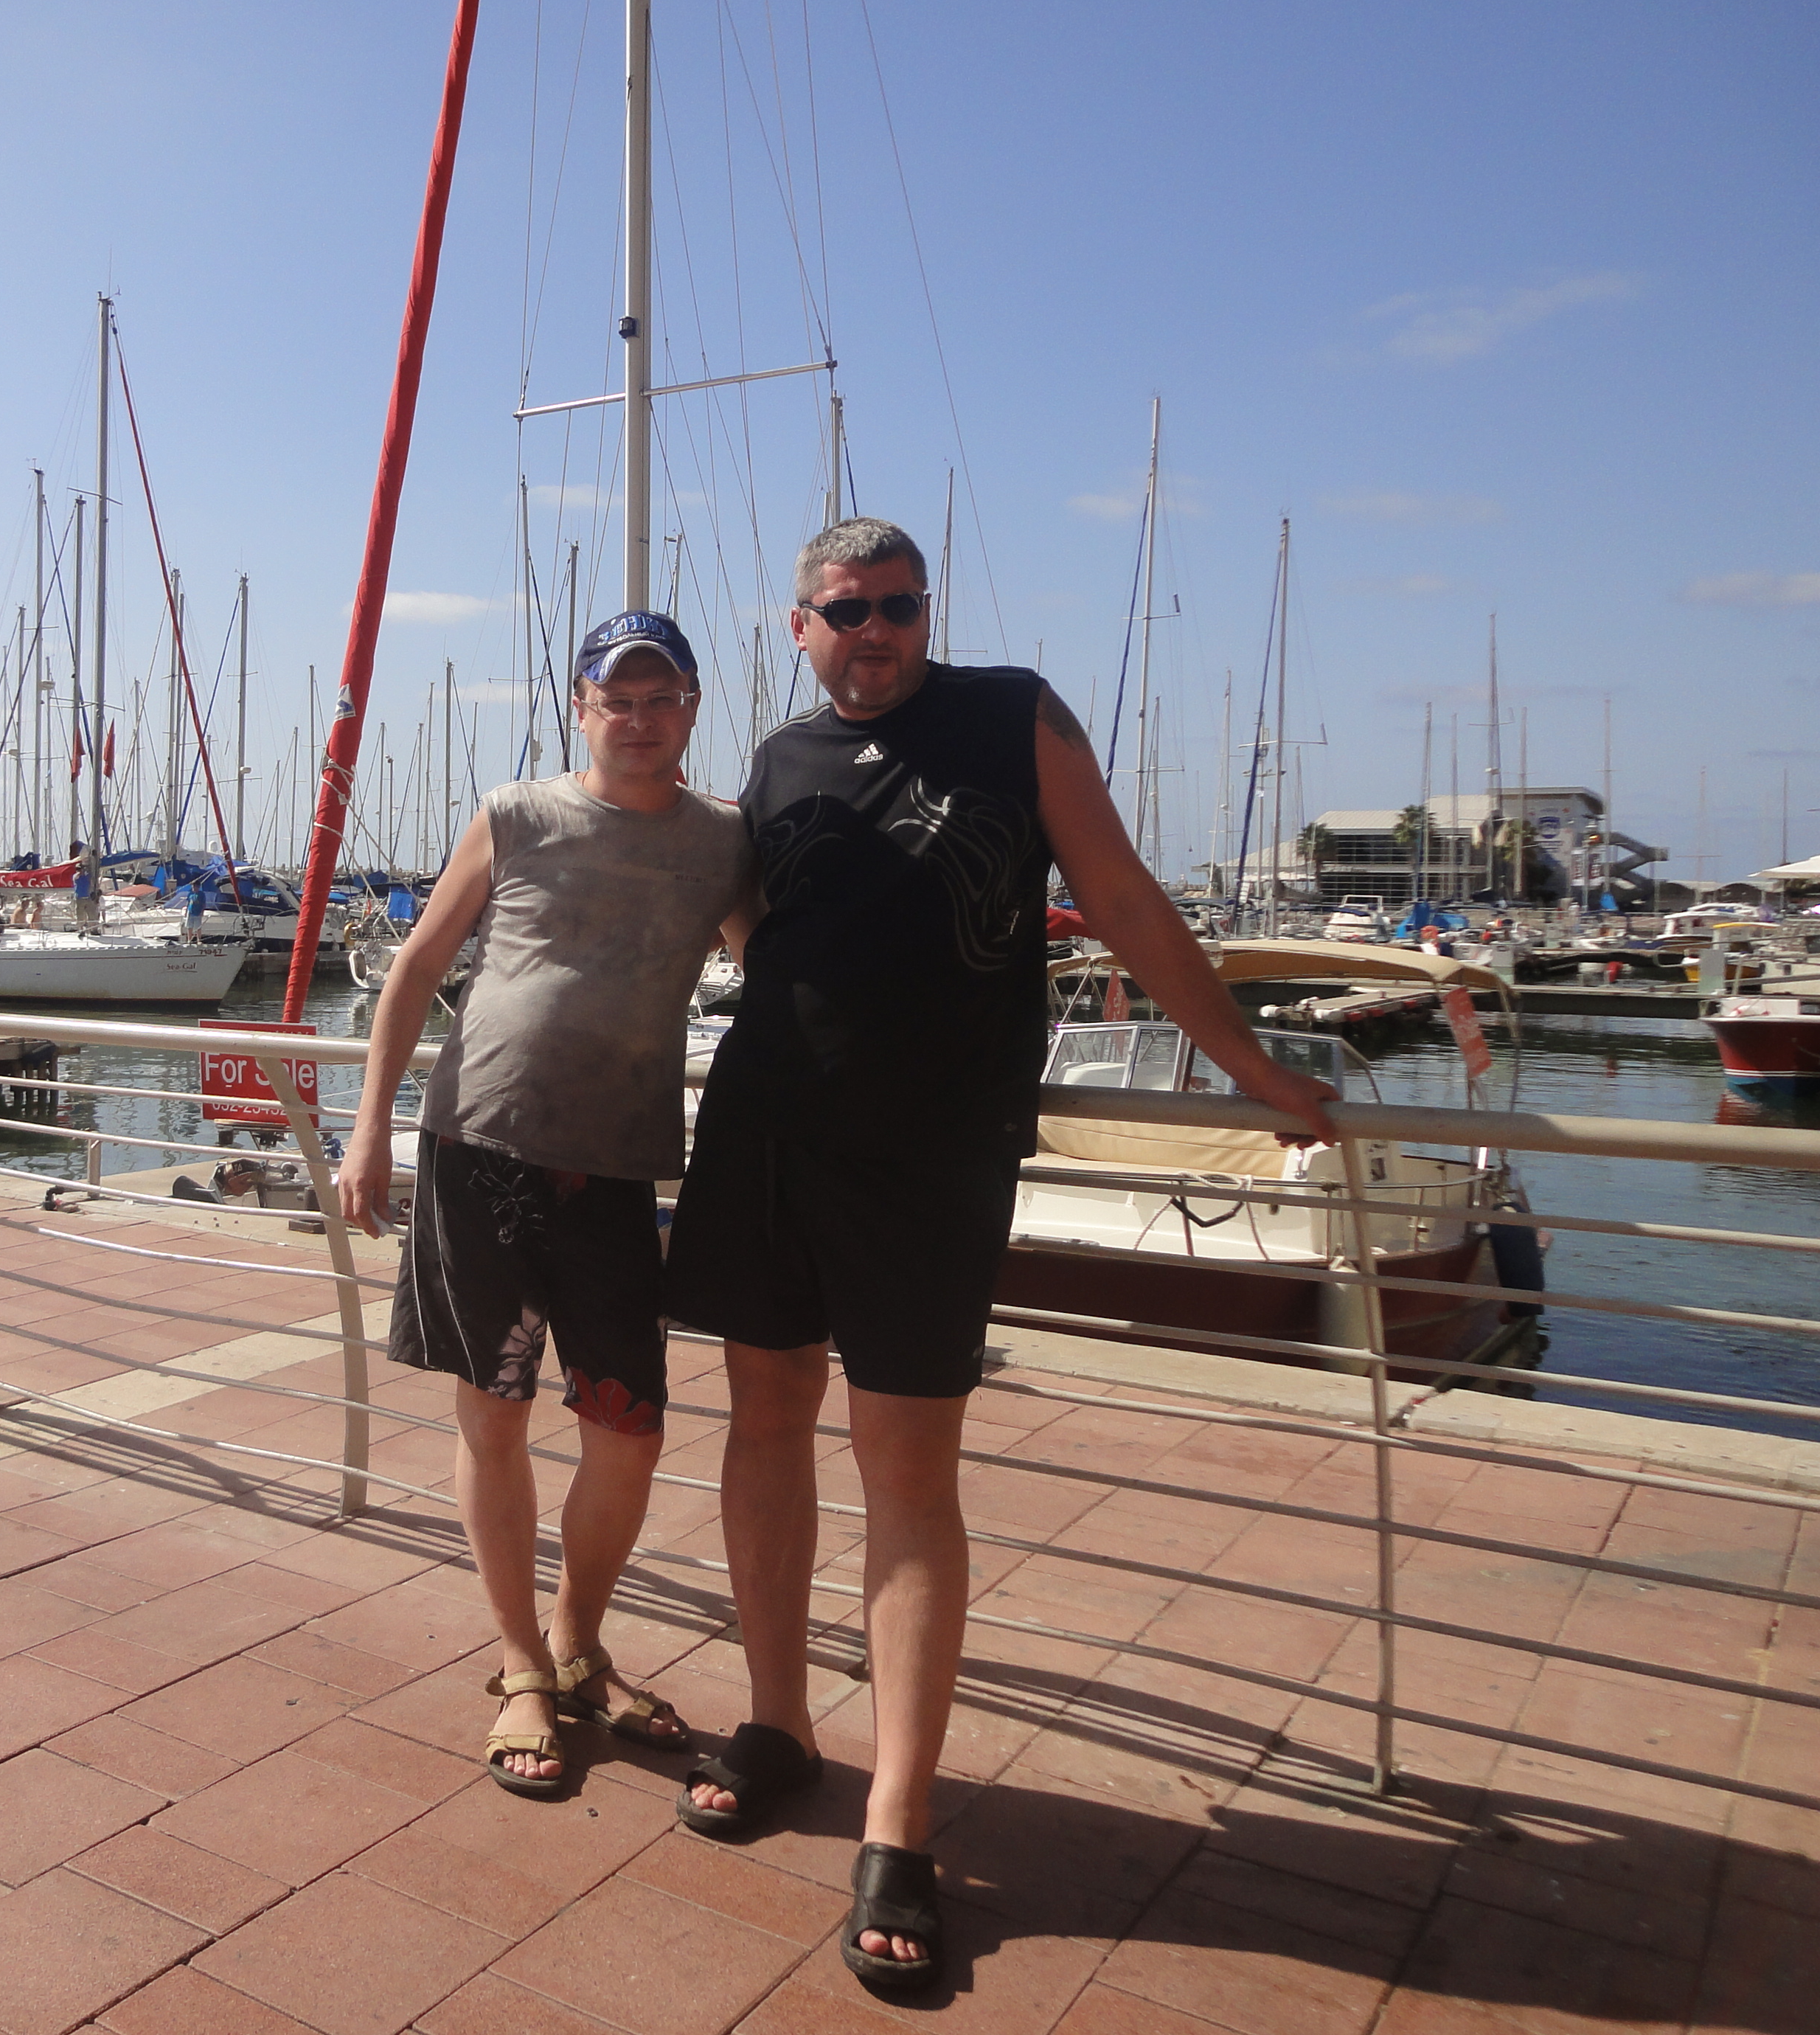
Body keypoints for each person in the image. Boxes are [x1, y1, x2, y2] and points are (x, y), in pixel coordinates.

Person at [664, 518, 1337, 1997]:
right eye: (848, 610)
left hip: (931, 1157)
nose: (876, 632)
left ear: (928, 613)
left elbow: (1123, 898)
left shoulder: (1013, 714)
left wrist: (1244, 1066)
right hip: (765, 1136)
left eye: (899, 607)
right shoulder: (777, 761)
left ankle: (897, 1822)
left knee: (907, 1473)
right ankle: (777, 1723)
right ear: (798, 625)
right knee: (762, 1424)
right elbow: (748, 925)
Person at [340, 611, 756, 1802]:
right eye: (617, 697)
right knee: (496, 1413)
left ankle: (577, 1643)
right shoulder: (516, 813)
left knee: (629, 1426)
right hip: (480, 1144)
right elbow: (419, 966)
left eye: (662, 696)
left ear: (691, 708)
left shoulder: (724, 840)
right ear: (581, 708)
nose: (640, 717)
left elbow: (774, 969)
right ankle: (522, 1664)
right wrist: (368, 1128)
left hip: (615, 1167)